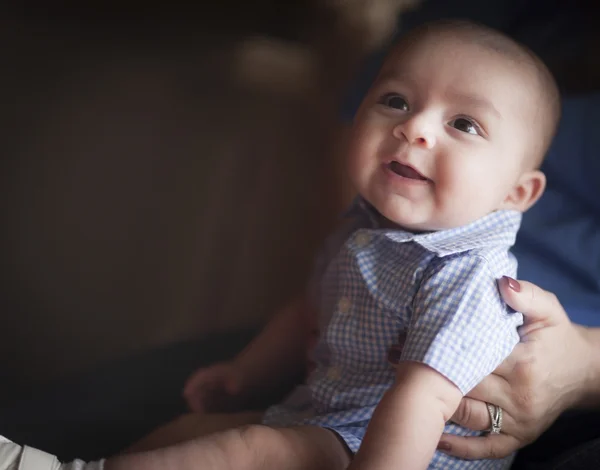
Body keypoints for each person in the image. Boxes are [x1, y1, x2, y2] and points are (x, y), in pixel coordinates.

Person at [170, 19, 560, 470]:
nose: (415, 127)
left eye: (464, 124)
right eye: (396, 101)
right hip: (330, 417)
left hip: (407, 450)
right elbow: (309, 312)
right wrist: (246, 371)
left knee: (246, 450)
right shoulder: (364, 230)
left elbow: (423, 399)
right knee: (185, 435)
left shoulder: (467, 273)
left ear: (516, 193)